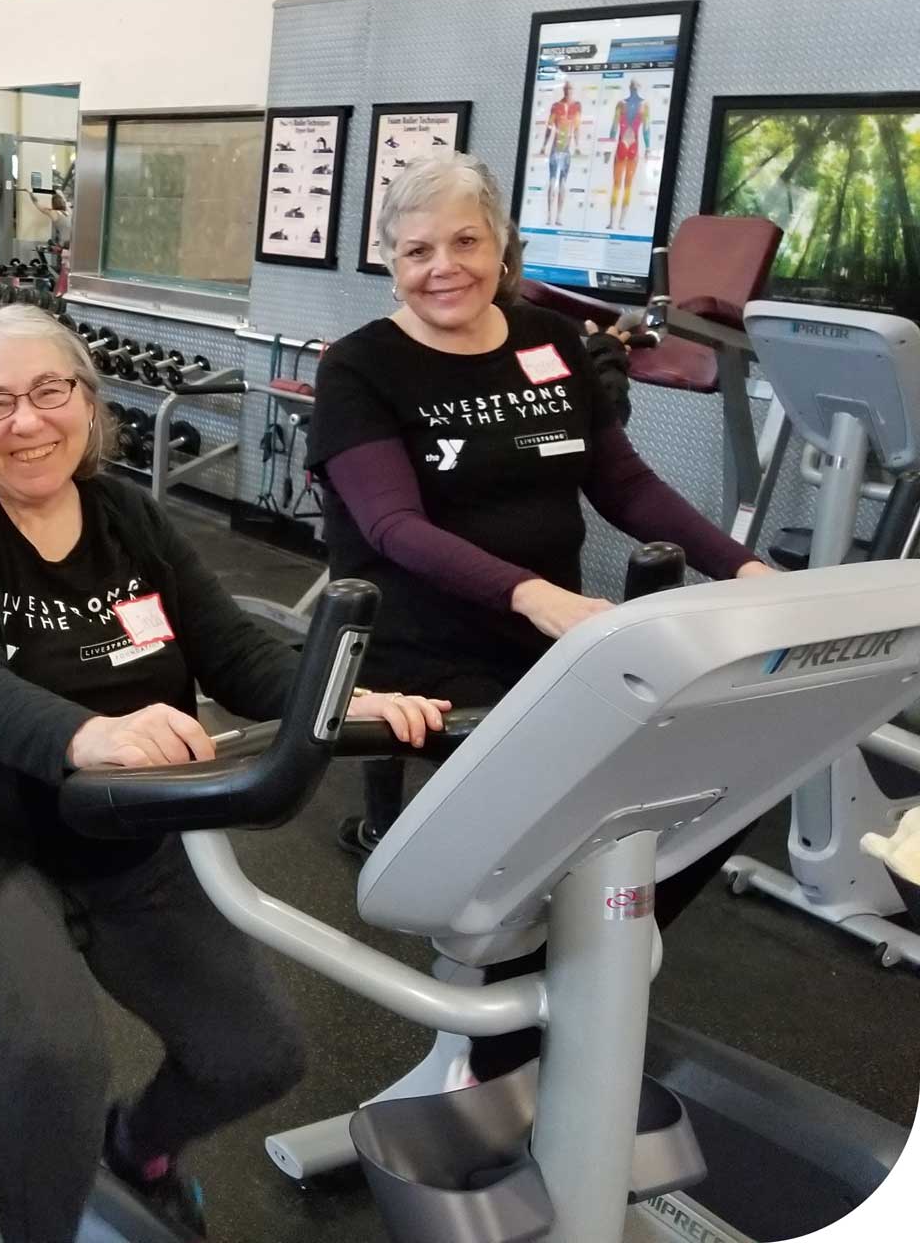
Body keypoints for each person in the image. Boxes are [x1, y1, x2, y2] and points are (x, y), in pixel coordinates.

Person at [0, 304, 448, 1243]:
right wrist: (85, 736)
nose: (28, 422)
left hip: (123, 826)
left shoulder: (127, 516)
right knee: (54, 1054)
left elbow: (235, 655)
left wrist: (345, 701)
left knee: (255, 1053)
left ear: (87, 405)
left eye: (50, 391)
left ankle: (134, 1151)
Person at [303, 151, 773, 1071]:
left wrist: (745, 566)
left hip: (554, 639)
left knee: (721, 773)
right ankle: (506, 1027)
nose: (444, 267)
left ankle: (565, 967)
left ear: (502, 245)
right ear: (389, 261)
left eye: (466, 241)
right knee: (550, 808)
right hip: (425, 643)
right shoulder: (361, 368)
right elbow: (393, 526)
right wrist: (540, 596)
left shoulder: (545, 344)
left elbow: (625, 485)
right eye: (416, 250)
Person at [538, 79, 582, 225]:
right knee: (553, 181)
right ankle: (550, 216)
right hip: (556, 148)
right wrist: (544, 146)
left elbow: (576, 128)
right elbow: (550, 127)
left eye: (570, 90)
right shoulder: (556, 107)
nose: (568, 92)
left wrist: (577, 145)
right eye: (567, 89)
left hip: (566, 149)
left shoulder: (576, 107)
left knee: (562, 182)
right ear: (564, 90)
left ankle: (558, 216)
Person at [610, 77, 651, 228]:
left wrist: (647, 148)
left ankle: (615, 222)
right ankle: (617, 222)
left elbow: (614, 127)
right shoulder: (643, 106)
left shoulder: (622, 104)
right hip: (632, 146)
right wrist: (648, 148)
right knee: (624, 185)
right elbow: (646, 130)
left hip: (624, 146)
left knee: (620, 184)